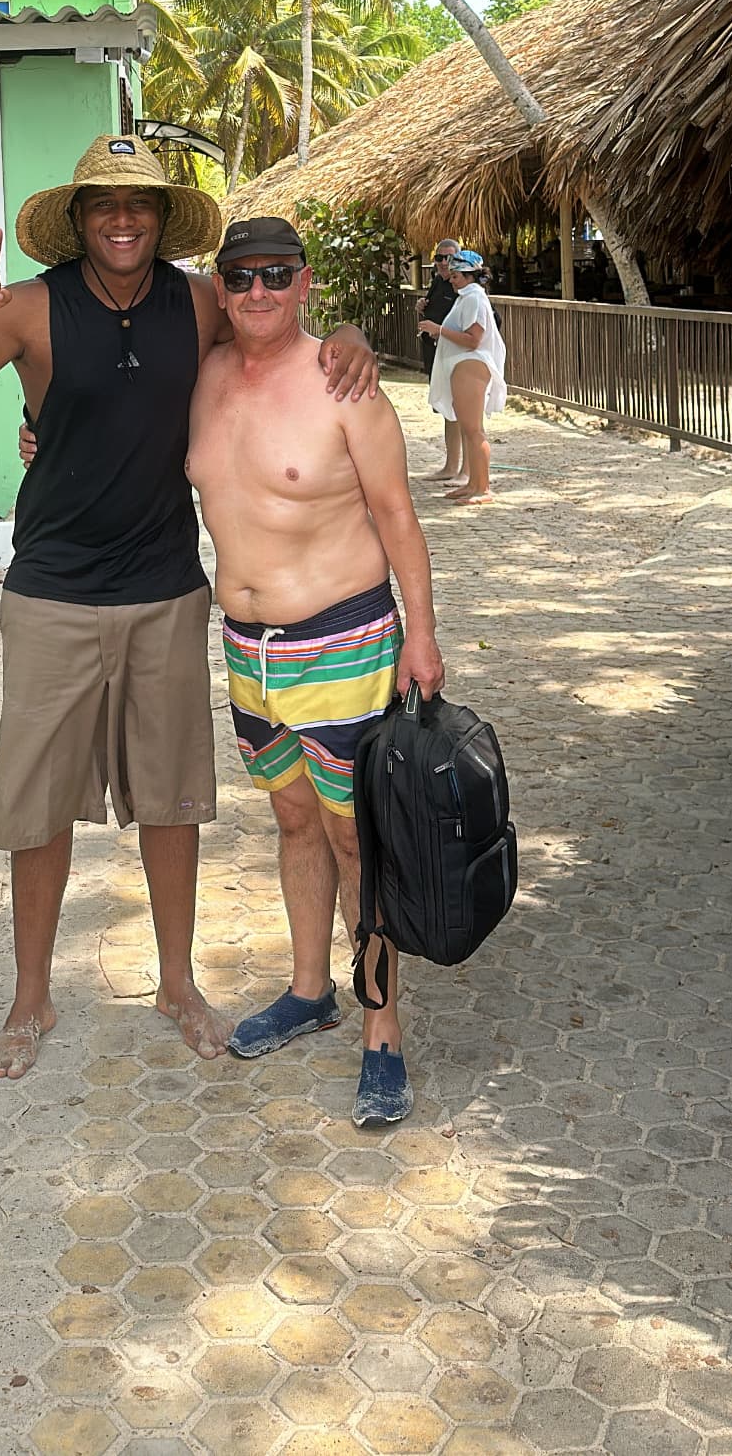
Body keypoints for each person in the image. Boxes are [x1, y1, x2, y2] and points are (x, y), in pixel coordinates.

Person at [0, 136, 377, 1082]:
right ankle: (32, 998)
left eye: (138, 203)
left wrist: (354, 337)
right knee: (37, 809)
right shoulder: (29, 309)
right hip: (52, 594)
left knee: (171, 800)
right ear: (78, 216)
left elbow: (282, 337)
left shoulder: (197, 302)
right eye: (103, 202)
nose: (121, 217)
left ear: (161, 219)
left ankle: (178, 983)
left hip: (164, 590)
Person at [186, 216, 445, 1128]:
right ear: (221, 289)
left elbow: (399, 516)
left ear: (305, 285)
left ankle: (384, 1032)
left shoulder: (346, 383)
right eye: (241, 278)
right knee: (292, 820)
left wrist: (422, 635)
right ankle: (309, 989)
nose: (258, 292)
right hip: (247, 651)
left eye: (276, 276)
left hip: (343, 641)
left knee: (355, 840)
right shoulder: (204, 377)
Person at [422, 246, 506, 504]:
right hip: (461, 365)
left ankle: (482, 488)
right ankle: (472, 484)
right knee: (469, 429)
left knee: (473, 430)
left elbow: (473, 339)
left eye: (456, 275)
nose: (452, 279)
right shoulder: (466, 296)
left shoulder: (473, 298)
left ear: (469, 275)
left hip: (471, 364)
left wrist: (438, 330)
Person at [418, 238, 464, 483]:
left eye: (449, 258)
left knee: (460, 412)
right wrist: (422, 307)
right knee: (447, 410)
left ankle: (465, 469)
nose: (444, 264)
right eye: (439, 258)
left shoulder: (467, 292)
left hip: (456, 357)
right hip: (436, 354)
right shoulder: (438, 282)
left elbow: (477, 330)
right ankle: (451, 465)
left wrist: (440, 330)